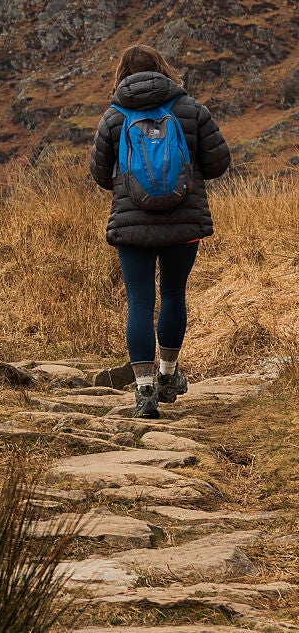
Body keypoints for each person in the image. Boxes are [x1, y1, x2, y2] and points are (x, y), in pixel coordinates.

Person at [90, 44, 231, 418]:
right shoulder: (190, 109)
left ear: (122, 74)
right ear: (162, 68)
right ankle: (168, 375)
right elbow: (219, 162)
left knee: (138, 301)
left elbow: (101, 176)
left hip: (132, 225)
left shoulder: (114, 117)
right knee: (172, 292)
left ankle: (144, 390)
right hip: (183, 222)